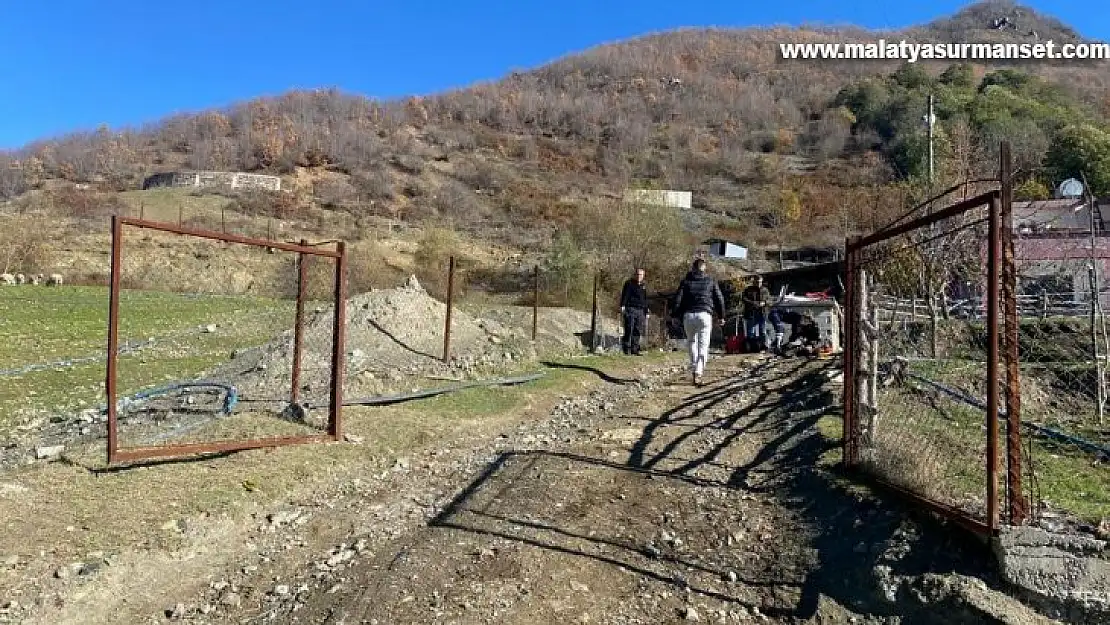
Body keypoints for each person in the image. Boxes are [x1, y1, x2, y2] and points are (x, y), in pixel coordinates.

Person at [672, 258, 726, 386]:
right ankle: (698, 371)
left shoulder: (685, 282)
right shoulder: (710, 280)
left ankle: (694, 365)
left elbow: (677, 299)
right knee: (703, 345)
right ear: (704, 268)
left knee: (691, 342)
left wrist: (674, 315)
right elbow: (719, 298)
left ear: (693, 268)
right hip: (704, 314)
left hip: (689, 315)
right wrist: (721, 316)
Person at [619, 267, 649, 355]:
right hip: (630, 308)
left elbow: (645, 299)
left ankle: (634, 349)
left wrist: (646, 311)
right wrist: (622, 305)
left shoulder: (643, 285)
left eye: (641, 275)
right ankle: (626, 348)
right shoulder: (629, 283)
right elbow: (625, 295)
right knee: (629, 328)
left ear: (643, 276)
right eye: (638, 274)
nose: (639, 276)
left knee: (637, 330)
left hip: (640, 310)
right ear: (635, 275)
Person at [741, 275, 772, 353]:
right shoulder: (748, 290)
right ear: (753, 281)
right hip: (751, 313)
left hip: (762, 313)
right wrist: (754, 303)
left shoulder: (765, 290)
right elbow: (744, 299)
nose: (758, 283)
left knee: (763, 331)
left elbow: (770, 301)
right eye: (757, 282)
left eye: (760, 282)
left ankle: (763, 347)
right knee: (751, 332)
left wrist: (764, 303)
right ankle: (751, 348)